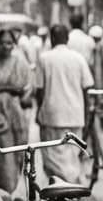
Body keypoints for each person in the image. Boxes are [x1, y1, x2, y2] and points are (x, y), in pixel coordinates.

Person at [34, 23, 93, 184]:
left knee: (52, 154)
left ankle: (63, 183)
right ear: (67, 39)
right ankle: (71, 182)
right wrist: (87, 113)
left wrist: (38, 111)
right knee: (72, 155)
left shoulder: (45, 58)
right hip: (75, 114)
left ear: (52, 39)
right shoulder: (79, 58)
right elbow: (87, 88)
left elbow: (39, 89)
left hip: (52, 114)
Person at [0, 29, 32, 192]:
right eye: (2, 43)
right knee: (2, 153)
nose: (5, 46)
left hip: (16, 115)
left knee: (18, 153)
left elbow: (26, 89)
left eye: (9, 43)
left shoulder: (20, 63)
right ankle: (4, 189)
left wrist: (21, 94)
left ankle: (10, 188)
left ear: (14, 45)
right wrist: (9, 88)